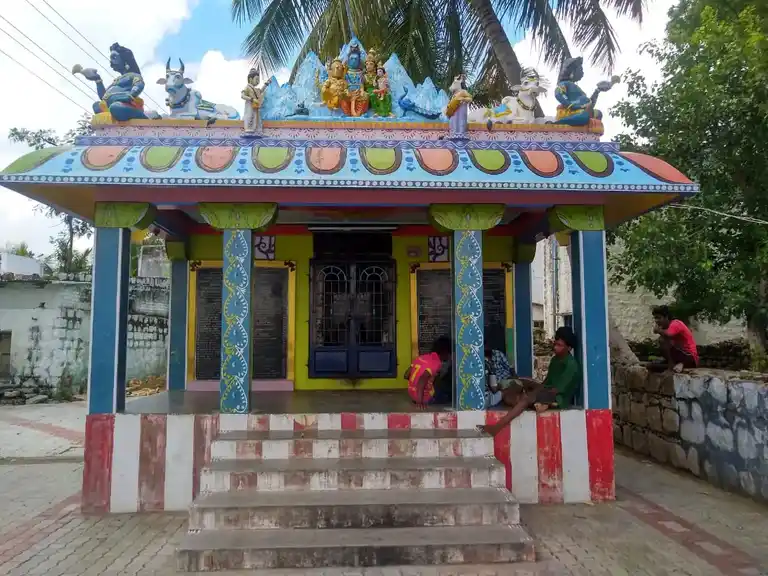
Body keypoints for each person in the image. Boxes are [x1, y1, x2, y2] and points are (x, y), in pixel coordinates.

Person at [478, 327, 581, 437]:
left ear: (569, 348)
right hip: (547, 390)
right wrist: (531, 387)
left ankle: (497, 427)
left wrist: (533, 393)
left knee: (526, 398)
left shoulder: (571, 366)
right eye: (555, 344)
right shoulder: (555, 359)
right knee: (517, 386)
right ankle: (532, 404)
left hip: (557, 397)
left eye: (559, 345)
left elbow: (555, 390)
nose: (555, 347)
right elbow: (546, 382)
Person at [405, 336, 452, 409]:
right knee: (449, 396)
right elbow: (422, 380)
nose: (449, 357)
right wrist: (420, 401)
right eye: (449, 354)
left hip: (412, 395)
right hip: (424, 398)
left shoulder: (421, 357)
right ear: (445, 352)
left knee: (434, 379)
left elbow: (406, 375)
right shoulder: (436, 363)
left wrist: (414, 382)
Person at [652, 305, 698, 372]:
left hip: (690, 357)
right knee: (652, 365)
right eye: (655, 318)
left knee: (662, 340)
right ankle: (674, 363)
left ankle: (675, 364)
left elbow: (669, 335)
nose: (656, 321)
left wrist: (659, 331)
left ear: (666, 317)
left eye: (659, 318)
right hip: (679, 355)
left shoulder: (675, 323)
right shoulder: (665, 327)